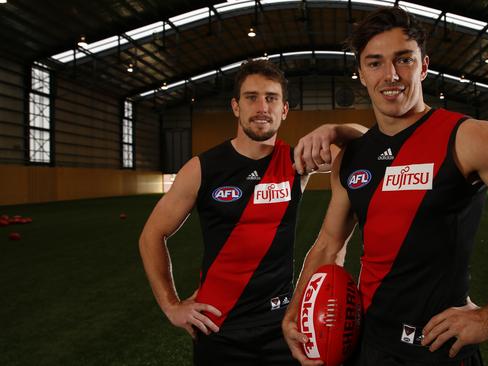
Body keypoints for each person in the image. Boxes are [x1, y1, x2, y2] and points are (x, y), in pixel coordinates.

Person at [282, 7, 488, 366]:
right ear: (361, 73)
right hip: (368, 343)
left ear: (424, 66)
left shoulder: (471, 138)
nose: (390, 75)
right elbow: (330, 244)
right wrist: (295, 310)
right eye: (375, 63)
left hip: (439, 350)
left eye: (403, 60)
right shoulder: (353, 155)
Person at [139, 59, 366, 366]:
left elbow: (367, 146)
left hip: (282, 325)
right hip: (219, 326)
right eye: (251, 97)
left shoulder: (296, 161)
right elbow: (152, 234)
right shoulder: (201, 168)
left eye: (271, 98)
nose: (262, 107)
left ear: (284, 110)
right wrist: (171, 305)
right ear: (236, 106)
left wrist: (337, 128)